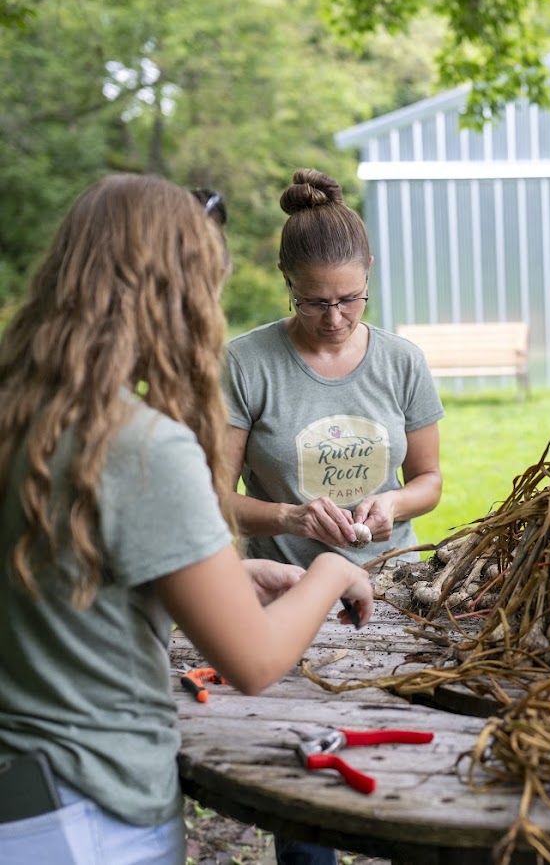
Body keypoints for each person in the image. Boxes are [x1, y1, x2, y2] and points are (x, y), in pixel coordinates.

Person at [0, 175, 375, 865]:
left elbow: (68, 577)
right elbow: (256, 662)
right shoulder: (140, 444)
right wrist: (328, 569)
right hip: (99, 813)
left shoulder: (23, 416)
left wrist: (225, 571)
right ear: (173, 294)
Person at [222, 168, 444, 865]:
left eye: (350, 298)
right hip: (289, 601)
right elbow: (210, 501)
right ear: (287, 279)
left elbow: (430, 481)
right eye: (314, 301)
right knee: (307, 787)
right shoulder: (246, 362)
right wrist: (290, 513)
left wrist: (391, 503)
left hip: (395, 593)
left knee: (412, 780)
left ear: (369, 271)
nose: (336, 317)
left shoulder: (401, 361)